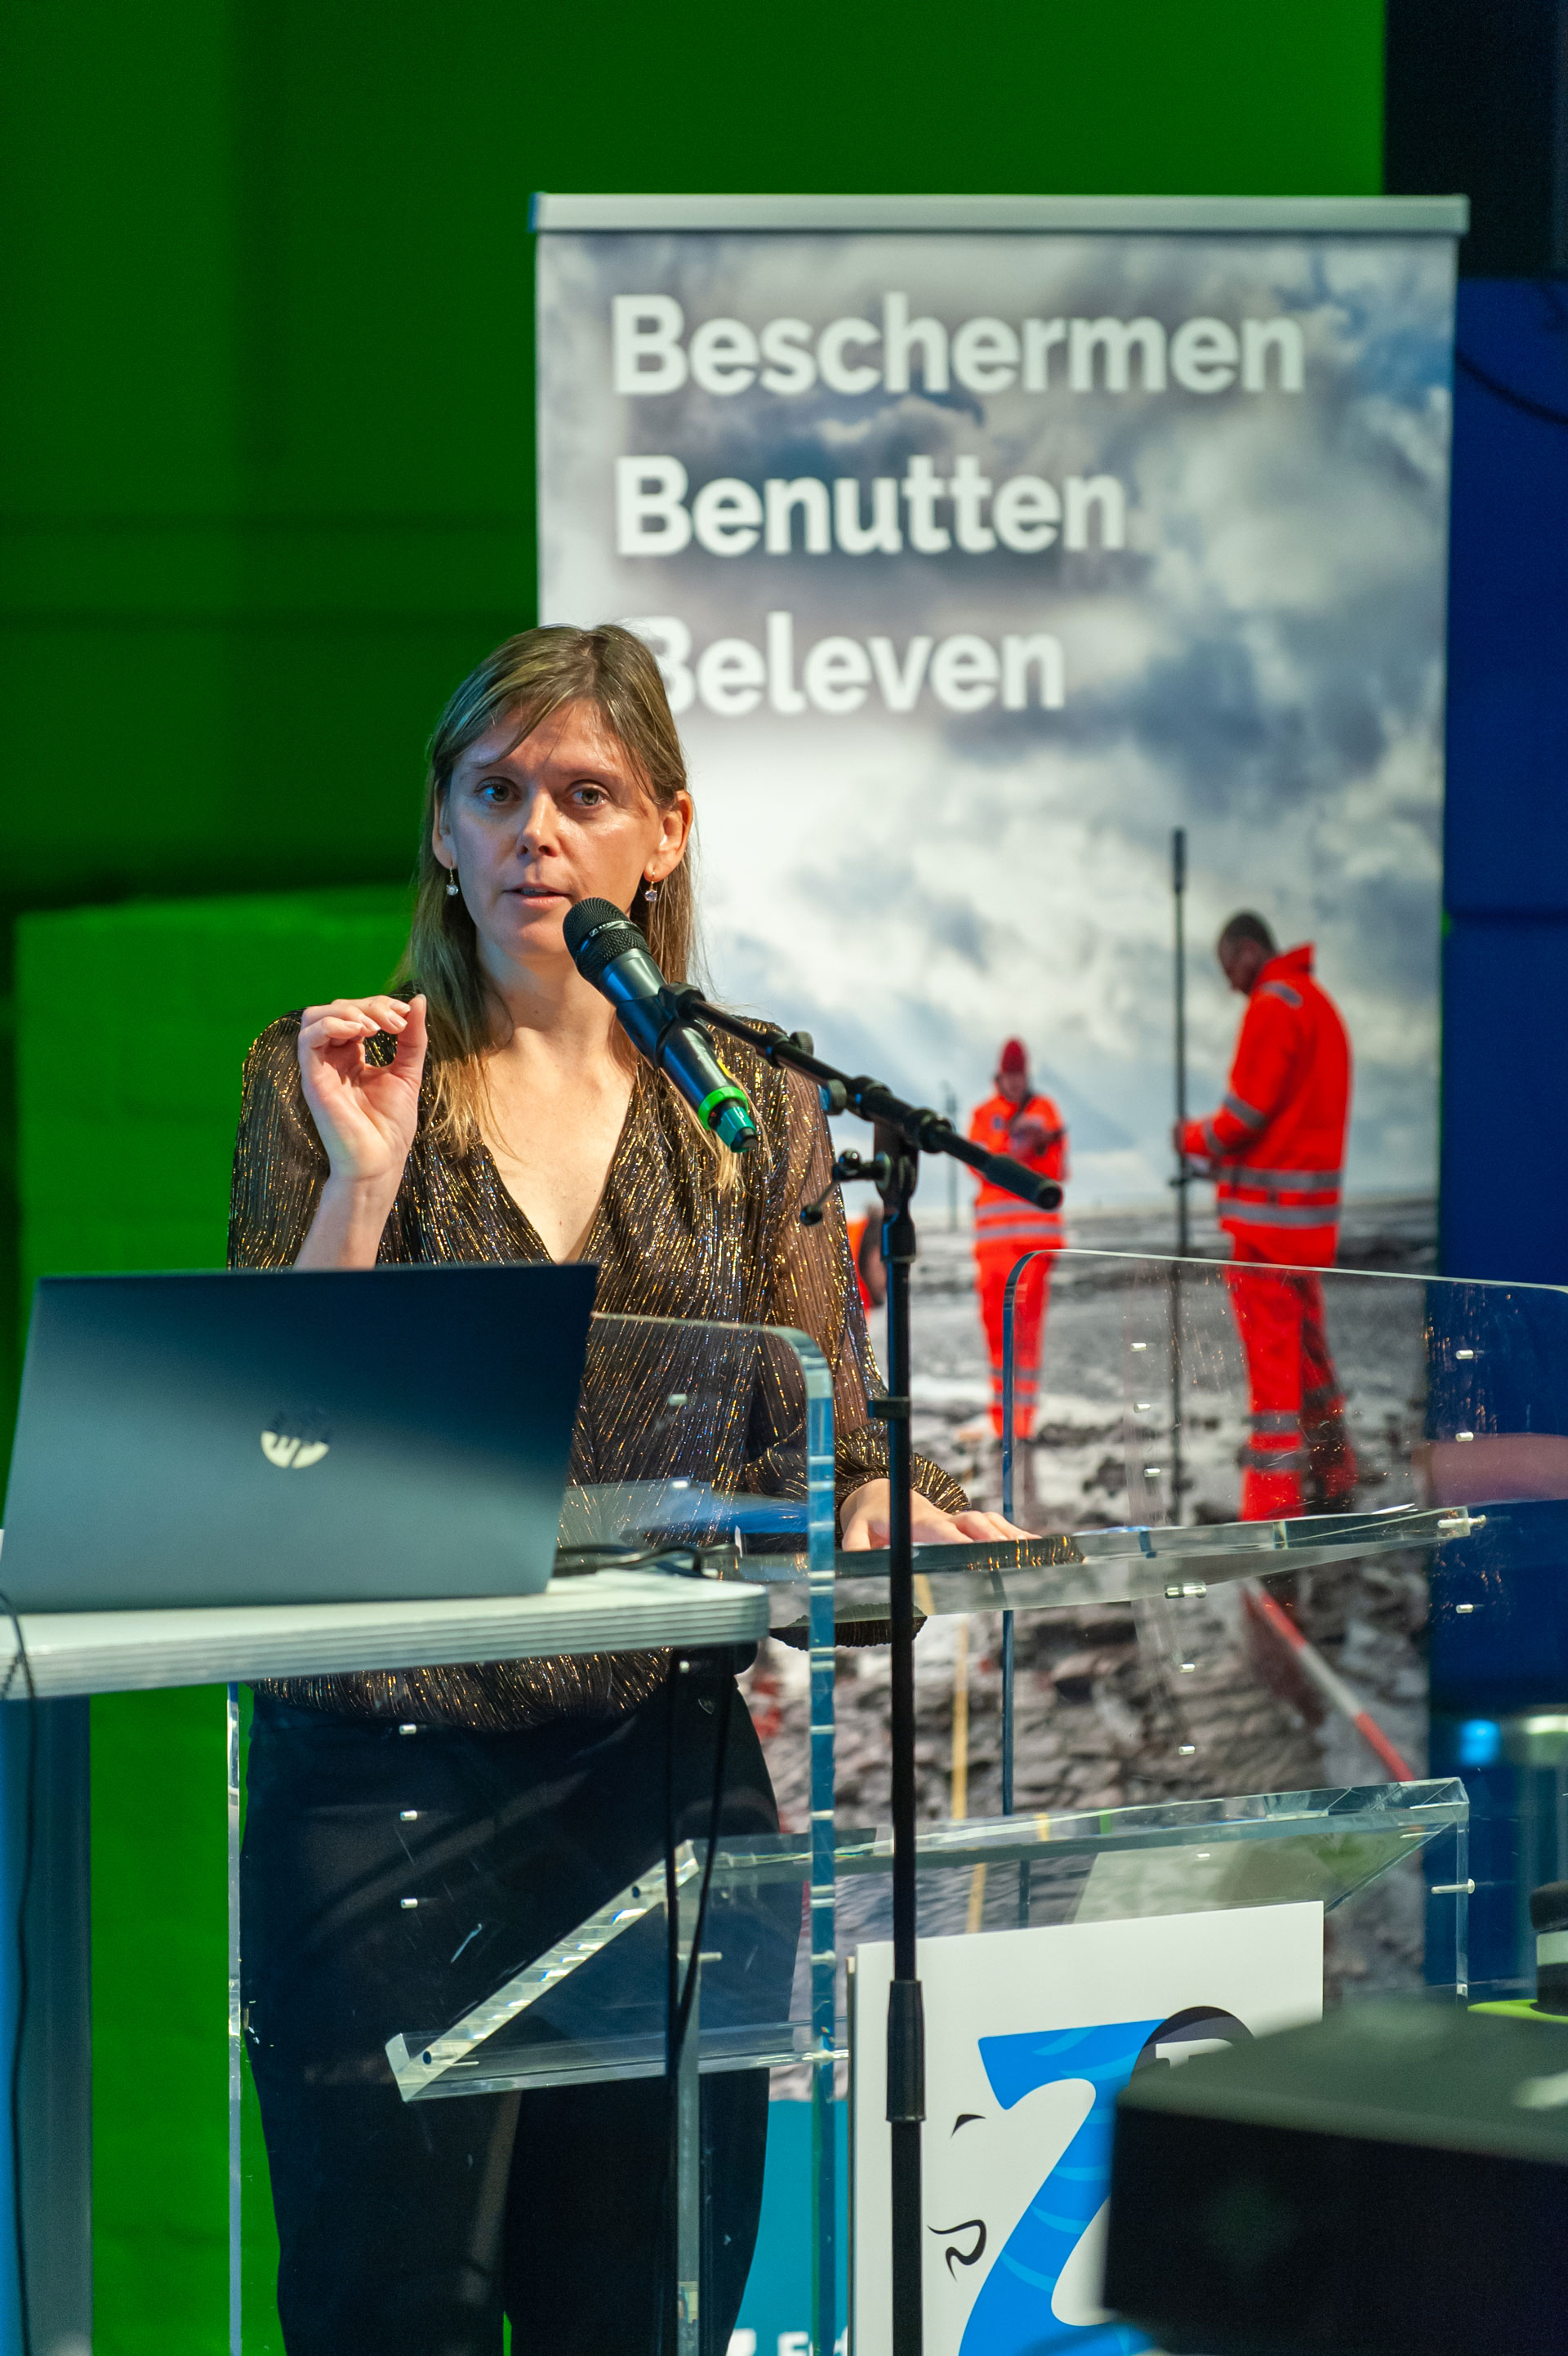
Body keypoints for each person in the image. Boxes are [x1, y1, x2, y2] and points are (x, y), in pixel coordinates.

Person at [229, 623, 1020, 2356]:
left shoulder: (757, 1103)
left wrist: (900, 1502)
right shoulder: (336, 1074)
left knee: (649, 2310)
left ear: (663, 830)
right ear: (440, 825)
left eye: (584, 792)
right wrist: (360, 1183)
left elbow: (836, 1423)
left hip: (664, 1781)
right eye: (496, 789)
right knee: (389, 2310)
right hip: (386, 1786)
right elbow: (277, 1443)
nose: (537, 830)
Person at [1176, 912, 1356, 1518]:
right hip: (1306, 1230)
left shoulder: (1274, 1004)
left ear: (1250, 949)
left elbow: (1244, 1114)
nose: (1231, 984)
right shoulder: (1319, 1006)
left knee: (1273, 1386)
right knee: (1313, 1364)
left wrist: (1193, 1137)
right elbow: (1284, 1125)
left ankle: (1272, 1511)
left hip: (1263, 1235)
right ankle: (1337, 1471)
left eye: (1230, 967)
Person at [958, 1040, 1068, 1445]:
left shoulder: (1046, 1112)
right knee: (997, 1335)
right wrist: (1012, 1147)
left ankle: (1023, 1421)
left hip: (1035, 1250)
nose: (1016, 1081)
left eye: (1021, 1074)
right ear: (1000, 1076)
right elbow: (978, 1165)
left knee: (1027, 1335)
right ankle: (1004, 1421)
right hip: (993, 1252)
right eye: (1011, 1074)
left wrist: (1038, 1144)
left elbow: (1059, 1170)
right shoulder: (982, 1116)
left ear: (1026, 1074)